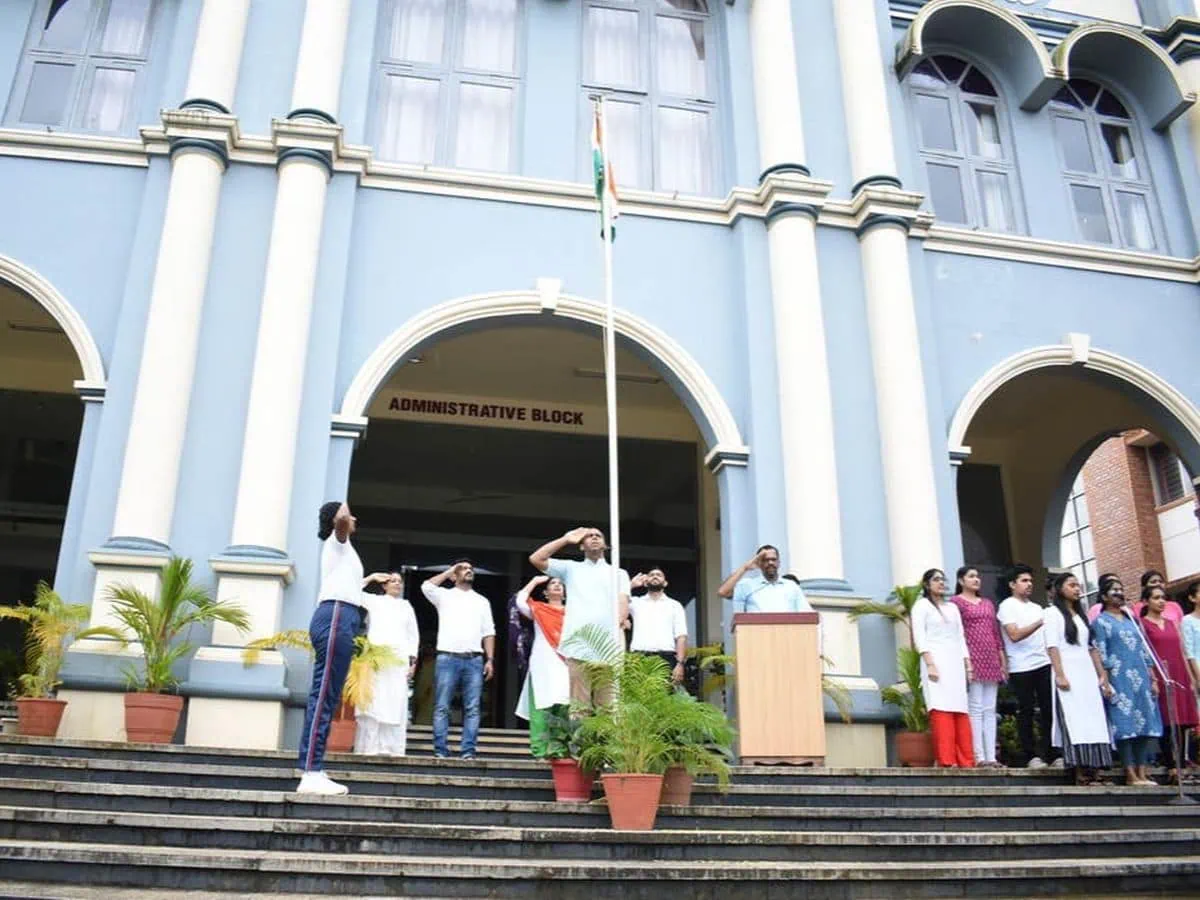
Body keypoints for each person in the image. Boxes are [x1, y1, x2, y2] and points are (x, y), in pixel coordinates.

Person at [297, 501, 368, 795]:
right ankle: (310, 773)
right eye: (349, 513)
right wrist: (342, 511)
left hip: (344, 617)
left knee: (328, 695)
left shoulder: (344, 553)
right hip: (336, 615)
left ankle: (313, 767)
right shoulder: (337, 542)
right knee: (324, 694)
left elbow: (348, 584)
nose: (354, 517)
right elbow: (340, 522)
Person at [529, 527, 630, 713]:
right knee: (579, 708)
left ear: (605, 545)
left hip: (607, 647)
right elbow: (536, 559)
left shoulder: (619, 573)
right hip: (578, 647)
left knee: (607, 708)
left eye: (598, 536)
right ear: (581, 546)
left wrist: (620, 621)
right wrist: (566, 539)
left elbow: (623, 602)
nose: (593, 538)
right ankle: (580, 743)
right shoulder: (571, 568)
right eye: (589, 536)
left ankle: (603, 743)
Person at [420, 560, 496, 759]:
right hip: (447, 657)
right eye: (463, 568)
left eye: (471, 568)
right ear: (454, 575)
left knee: (472, 708)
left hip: (474, 659)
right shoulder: (444, 595)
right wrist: (450, 570)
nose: (469, 570)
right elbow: (426, 586)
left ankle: (468, 750)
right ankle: (440, 750)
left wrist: (490, 659)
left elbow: (489, 632)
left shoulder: (481, 601)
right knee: (442, 706)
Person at [1090, 574, 1162, 786]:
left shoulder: (1132, 619)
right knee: (1125, 725)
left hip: (1140, 675)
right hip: (1118, 677)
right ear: (1104, 596)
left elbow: (1145, 649)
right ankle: (1130, 774)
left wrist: (1153, 678)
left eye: (1121, 590)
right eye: (1114, 590)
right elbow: (1100, 652)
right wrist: (1104, 679)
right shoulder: (1100, 622)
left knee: (1144, 725)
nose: (1119, 594)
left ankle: (1142, 772)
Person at [1044, 572, 1113, 785]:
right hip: (1068, 671)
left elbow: (1091, 648)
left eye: (1078, 585)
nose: (1077, 589)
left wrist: (1102, 675)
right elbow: (1052, 645)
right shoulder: (1052, 613)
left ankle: (1095, 768)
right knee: (1075, 721)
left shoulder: (1082, 616)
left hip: (1087, 674)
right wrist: (1060, 674)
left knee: (1093, 720)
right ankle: (1080, 771)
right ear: (1059, 588)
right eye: (1072, 585)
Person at [912, 569, 973, 767]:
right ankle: (947, 759)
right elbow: (920, 637)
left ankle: (966, 760)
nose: (941, 583)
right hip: (935, 660)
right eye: (936, 580)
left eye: (942, 580)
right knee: (941, 707)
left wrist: (967, 664)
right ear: (927, 584)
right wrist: (930, 664)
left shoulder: (952, 608)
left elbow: (960, 636)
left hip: (955, 661)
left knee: (960, 707)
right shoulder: (921, 606)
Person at [1138, 584, 1199, 783]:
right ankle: (1170, 763)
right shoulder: (1143, 624)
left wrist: (1190, 678)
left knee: (1182, 721)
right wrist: (1151, 677)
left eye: (1163, 597)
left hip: (1179, 673)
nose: (1161, 601)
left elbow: (1183, 651)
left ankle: (1181, 763)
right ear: (1146, 601)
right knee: (1165, 719)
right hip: (1159, 674)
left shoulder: (1172, 623)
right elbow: (1144, 653)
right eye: (1156, 598)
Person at [996, 563, 1055, 768]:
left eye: (1030, 580)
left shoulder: (1037, 608)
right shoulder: (1007, 606)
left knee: (1049, 709)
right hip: (1021, 666)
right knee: (1026, 711)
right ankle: (1030, 755)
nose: (1029, 584)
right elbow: (1014, 635)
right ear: (1012, 584)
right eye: (1024, 580)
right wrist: (1039, 623)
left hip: (1043, 662)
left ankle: (1052, 753)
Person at [355, 572, 419, 756]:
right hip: (376, 658)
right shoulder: (375, 601)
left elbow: (412, 635)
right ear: (384, 585)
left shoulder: (406, 606)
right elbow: (352, 590)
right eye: (393, 581)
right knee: (375, 700)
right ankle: (370, 746)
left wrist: (412, 661)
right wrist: (372, 577)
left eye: (400, 581)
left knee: (393, 701)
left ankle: (389, 747)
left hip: (398, 661)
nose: (397, 584)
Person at [950, 565, 1006, 767]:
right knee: (975, 707)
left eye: (977, 576)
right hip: (971, 658)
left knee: (990, 709)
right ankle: (978, 756)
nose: (976, 579)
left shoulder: (988, 603)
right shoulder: (955, 603)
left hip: (991, 658)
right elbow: (955, 632)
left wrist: (1002, 658)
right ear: (961, 581)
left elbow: (995, 632)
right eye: (971, 576)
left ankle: (992, 756)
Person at [514, 574, 570, 757]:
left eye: (560, 584)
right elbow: (520, 601)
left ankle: (559, 748)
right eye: (552, 583)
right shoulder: (538, 609)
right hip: (542, 663)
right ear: (545, 592)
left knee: (563, 705)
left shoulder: (573, 612)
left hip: (565, 662)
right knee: (540, 706)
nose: (557, 586)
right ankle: (539, 749)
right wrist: (534, 581)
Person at [628, 568, 689, 685]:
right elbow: (614, 603)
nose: (655, 576)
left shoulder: (674, 605)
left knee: (664, 699)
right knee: (638, 698)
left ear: (665, 583)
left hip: (666, 658)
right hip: (639, 657)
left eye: (659, 575)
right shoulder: (636, 603)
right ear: (645, 582)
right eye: (651, 575)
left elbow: (681, 636)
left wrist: (680, 663)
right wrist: (631, 585)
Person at [719, 545, 813, 613]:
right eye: (765, 560)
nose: (770, 562)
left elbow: (807, 614)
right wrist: (745, 568)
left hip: (787, 636)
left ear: (779, 562)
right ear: (759, 563)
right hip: (757, 636)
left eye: (773, 559)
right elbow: (723, 592)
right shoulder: (748, 585)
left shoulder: (791, 586)